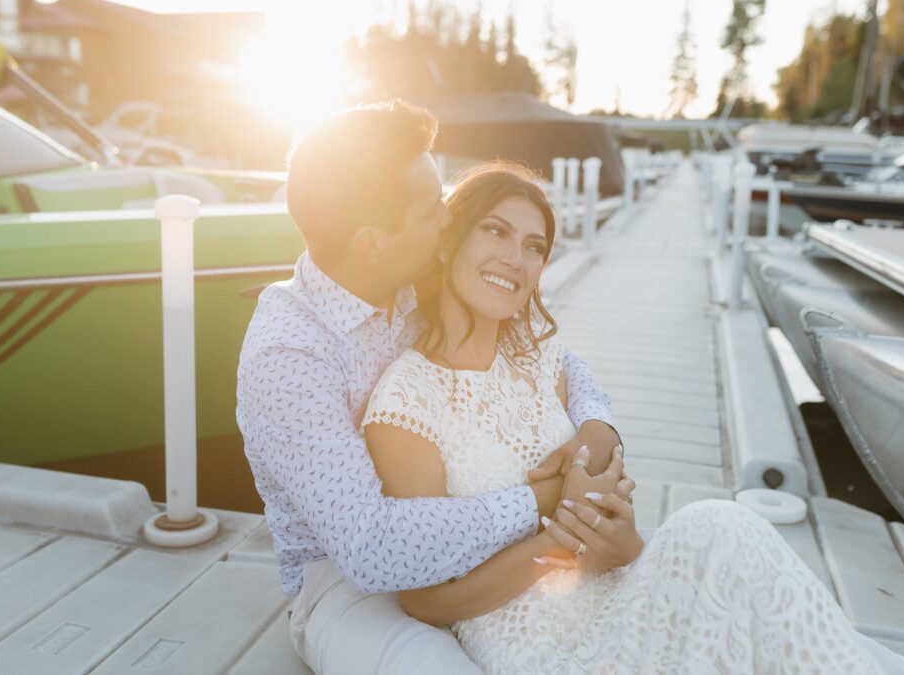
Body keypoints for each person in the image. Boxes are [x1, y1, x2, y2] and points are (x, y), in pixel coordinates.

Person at [361, 161, 904, 675]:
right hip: (533, 640)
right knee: (718, 528)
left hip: (611, 590)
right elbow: (425, 599)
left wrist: (616, 537)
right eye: (495, 231)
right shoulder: (406, 402)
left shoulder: (544, 364)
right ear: (446, 242)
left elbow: (617, 540)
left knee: (719, 531)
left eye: (534, 246)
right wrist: (561, 543)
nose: (515, 259)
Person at [236, 101, 628, 675]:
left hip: (482, 544)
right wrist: (544, 501)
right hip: (350, 585)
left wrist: (596, 424)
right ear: (372, 241)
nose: (450, 221)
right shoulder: (289, 356)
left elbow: (557, 361)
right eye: (431, 210)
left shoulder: (415, 280)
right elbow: (371, 548)